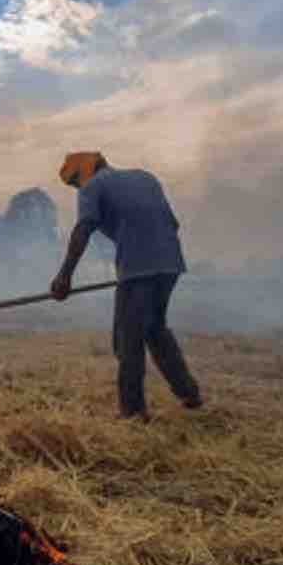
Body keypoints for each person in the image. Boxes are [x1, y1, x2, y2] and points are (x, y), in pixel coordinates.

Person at [50, 151, 203, 420]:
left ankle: (133, 413)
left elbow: (83, 229)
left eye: (75, 183)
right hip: (170, 262)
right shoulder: (145, 178)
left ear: (83, 174)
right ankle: (189, 393)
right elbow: (172, 223)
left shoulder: (92, 187)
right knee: (155, 329)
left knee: (127, 338)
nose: (77, 189)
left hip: (138, 266)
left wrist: (64, 276)